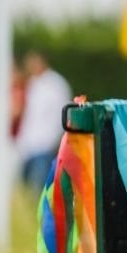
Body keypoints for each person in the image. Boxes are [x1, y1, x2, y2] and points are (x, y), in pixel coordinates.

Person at [16, 51, 73, 194]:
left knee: (41, 191)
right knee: (30, 190)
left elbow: (63, 115)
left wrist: (54, 141)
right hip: (29, 147)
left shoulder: (56, 84)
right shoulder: (34, 84)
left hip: (45, 146)